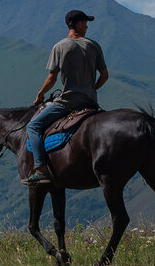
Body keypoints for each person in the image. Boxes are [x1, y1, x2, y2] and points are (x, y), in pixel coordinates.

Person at [23, 9, 109, 185]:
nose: (86, 25)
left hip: (68, 103)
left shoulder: (60, 47)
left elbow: (52, 78)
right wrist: (92, 88)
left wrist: (40, 94)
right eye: (84, 22)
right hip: (91, 102)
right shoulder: (94, 46)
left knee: (33, 126)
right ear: (74, 24)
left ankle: (41, 169)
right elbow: (105, 75)